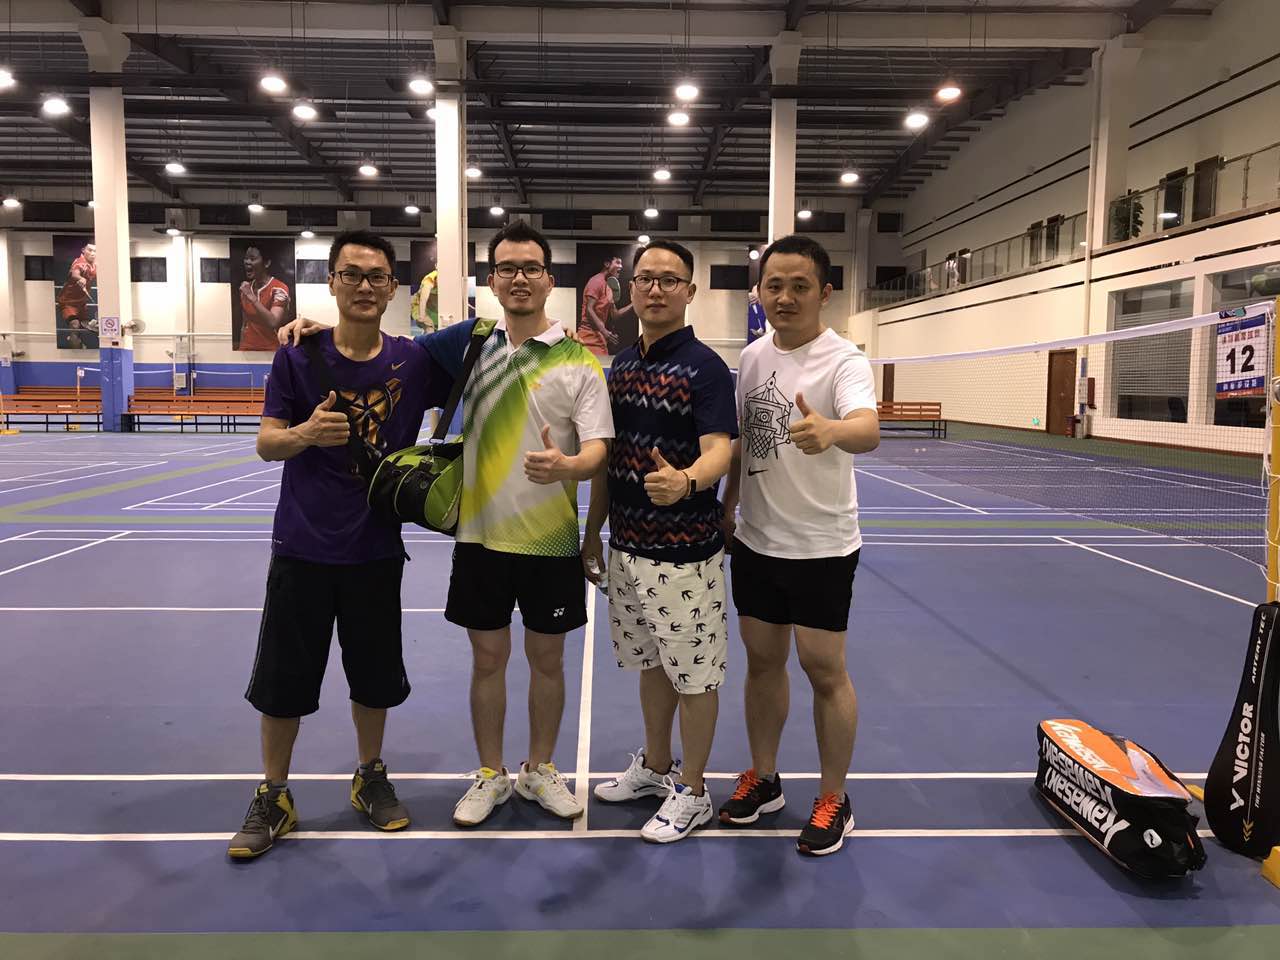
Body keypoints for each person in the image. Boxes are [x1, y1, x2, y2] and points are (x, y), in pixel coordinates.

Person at [228, 230, 452, 859]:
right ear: (331, 282)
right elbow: (267, 442)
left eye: (376, 276)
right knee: (283, 682)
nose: (363, 286)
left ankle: (370, 775)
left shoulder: (414, 361)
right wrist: (304, 433)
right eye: (350, 274)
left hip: (375, 549)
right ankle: (274, 794)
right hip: (302, 546)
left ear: (392, 288)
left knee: (373, 677)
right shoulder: (296, 356)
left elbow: (485, 350)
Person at [411, 221, 613, 827]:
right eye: (507, 268)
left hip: (550, 541)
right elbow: (387, 351)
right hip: (480, 538)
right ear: (493, 281)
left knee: (547, 661)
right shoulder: (470, 344)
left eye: (531, 268)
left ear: (549, 280)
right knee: (487, 660)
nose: (519, 278)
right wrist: (317, 331)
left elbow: (599, 449)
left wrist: (569, 466)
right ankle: (491, 773)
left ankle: (540, 768)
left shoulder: (580, 362)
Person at [717, 234, 880, 857]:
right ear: (759, 292)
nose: (785, 297)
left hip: (821, 546)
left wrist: (832, 429)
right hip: (757, 541)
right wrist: (729, 505)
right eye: (774, 285)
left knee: (824, 670)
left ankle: (834, 796)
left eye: (800, 286)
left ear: (824, 292)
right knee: (762, 664)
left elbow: (867, 429)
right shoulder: (752, 357)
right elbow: (745, 441)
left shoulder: (844, 360)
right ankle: (764, 777)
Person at [583, 240, 736, 842]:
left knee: (695, 676)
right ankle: (654, 765)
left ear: (689, 292)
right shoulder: (620, 366)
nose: (655, 289)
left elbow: (721, 448)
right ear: (631, 290)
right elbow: (606, 458)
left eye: (669, 279)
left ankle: (693, 791)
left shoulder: (706, 368)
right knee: (651, 664)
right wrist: (593, 532)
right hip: (626, 547)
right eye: (645, 278)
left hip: (685, 554)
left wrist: (688, 481)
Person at [238, 244, 293, 352]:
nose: (247, 262)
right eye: (246, 258)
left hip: (271, 349)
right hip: (246, 349)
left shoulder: (279, 288)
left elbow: (273, 322)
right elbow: (244, 324)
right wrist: (240, 349)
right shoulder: (246, 288)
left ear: (266, 263)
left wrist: (251, 297)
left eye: (252, 259)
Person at [578, 255, 632, 356]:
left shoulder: (609, 288)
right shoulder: (596, 281)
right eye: (617, 262)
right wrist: (605, 332)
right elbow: (589, 309)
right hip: (588, 337)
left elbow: (615, 315)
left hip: (600, 338)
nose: (621, 266)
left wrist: (633, 304)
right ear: (607, 264)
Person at [57, 242, 98, 349]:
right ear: (83, 250)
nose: (92, 253)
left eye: (95, 251)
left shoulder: (95, 264)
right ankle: (75, 351)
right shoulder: (80, 262)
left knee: (86, 325)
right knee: (75, 325)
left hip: (81, 302)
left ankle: (76, 342)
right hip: (68, 301)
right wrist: (81, 278)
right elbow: (75, 274)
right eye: (90, 250)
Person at [410, 267, 439, 335]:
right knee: (430, 329)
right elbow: (423, 300)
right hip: (419, 306)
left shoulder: (449, 278)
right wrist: (422, 317)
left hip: (434, 308)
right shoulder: (429, 280)